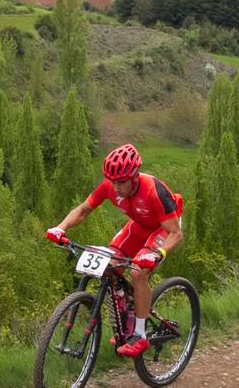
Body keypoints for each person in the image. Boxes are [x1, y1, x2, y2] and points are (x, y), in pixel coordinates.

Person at [46, 144, 184, 358]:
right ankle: (127, 318)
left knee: (139, 272)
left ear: (135, 176)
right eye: (112, 182)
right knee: (109, 265)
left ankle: (140, 335)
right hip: (139, 225)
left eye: (121, 182)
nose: (116, 188)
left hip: (164, 227)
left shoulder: (153, 191)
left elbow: (176, 234)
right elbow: (83, 210)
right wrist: (60, 227)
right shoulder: (109, 187)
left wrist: (156, 255)